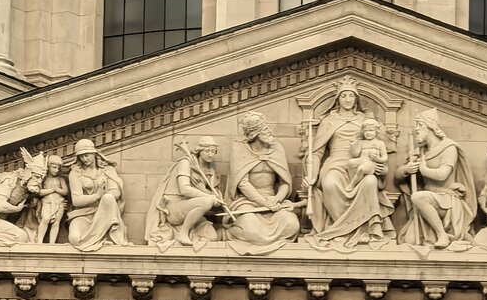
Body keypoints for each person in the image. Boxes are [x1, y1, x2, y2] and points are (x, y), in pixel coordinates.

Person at [305, 78, 393, 249]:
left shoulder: (365, 121)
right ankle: (343, 229)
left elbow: (380, 147)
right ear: (338, 99)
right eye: (343, 95)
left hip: (361, 162)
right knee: (329, 184)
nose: (347, 99)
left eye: (351, 96)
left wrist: (380, 165)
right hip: (335, 164)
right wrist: (312, 175)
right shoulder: (329, 121)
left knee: (370, 181)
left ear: (356, 99)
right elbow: (317, 152)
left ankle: (365, 227)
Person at [396, 109, 476, 254]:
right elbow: (397, 178)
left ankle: (442, 234)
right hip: (428, 201)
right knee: (409, 240)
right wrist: (406, 169)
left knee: (418, 197)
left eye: (420, 125)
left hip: (446, 200)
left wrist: (423, 169)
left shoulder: (449, 148)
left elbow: (442, 175)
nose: (416, 130)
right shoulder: (420, 152)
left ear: (429, 127)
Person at [224, 112, 301, 254]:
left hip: (273, 201)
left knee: (292, 224)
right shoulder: (239, 149)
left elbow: (285, 182)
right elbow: (243, 183)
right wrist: (264, 203)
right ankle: (226, 233)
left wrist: (277, 198)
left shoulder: (277, 148)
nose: (269, 131)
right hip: (248, 202)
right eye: (265, 129)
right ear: (254, 133)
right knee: (251, 230)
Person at [146, 137, 227, 249]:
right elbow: (184, 189)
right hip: (174, 207)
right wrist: (208, 196)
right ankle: (183, 233)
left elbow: (216, 197)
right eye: (207, 151)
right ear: (199, 151)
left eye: (213, 151)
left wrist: (204, 190)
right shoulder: (186, 162)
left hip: (192, 209)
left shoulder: (210, 171)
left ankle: (189, 230)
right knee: (207, 201)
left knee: (212, 236)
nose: (210, 154)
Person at [66, 139, 129, 250]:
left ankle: (108, 236)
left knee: (108, 198)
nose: (84, 159)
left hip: (104, 213)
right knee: (75, 239)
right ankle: (101, 239)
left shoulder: (107, 170)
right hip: (83, 214)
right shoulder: (75, 173)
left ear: (94, 153)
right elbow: (76, 200)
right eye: (81, 156)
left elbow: (116, 192)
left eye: (87, 155)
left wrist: (105, 196)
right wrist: (96, 196)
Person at [31, 157, 69, 248]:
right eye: (54, 167)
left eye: (58, 168)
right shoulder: (43, 179)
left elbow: (65, 191)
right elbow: (39, 192)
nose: (57, 170)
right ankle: (39, 241)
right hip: (47, 202)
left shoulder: (60, 179)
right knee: (45, 219)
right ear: (48, 167)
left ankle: (52, 243)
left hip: (59, 203)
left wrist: (57, 189)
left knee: (56, 222)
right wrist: (52, 190)